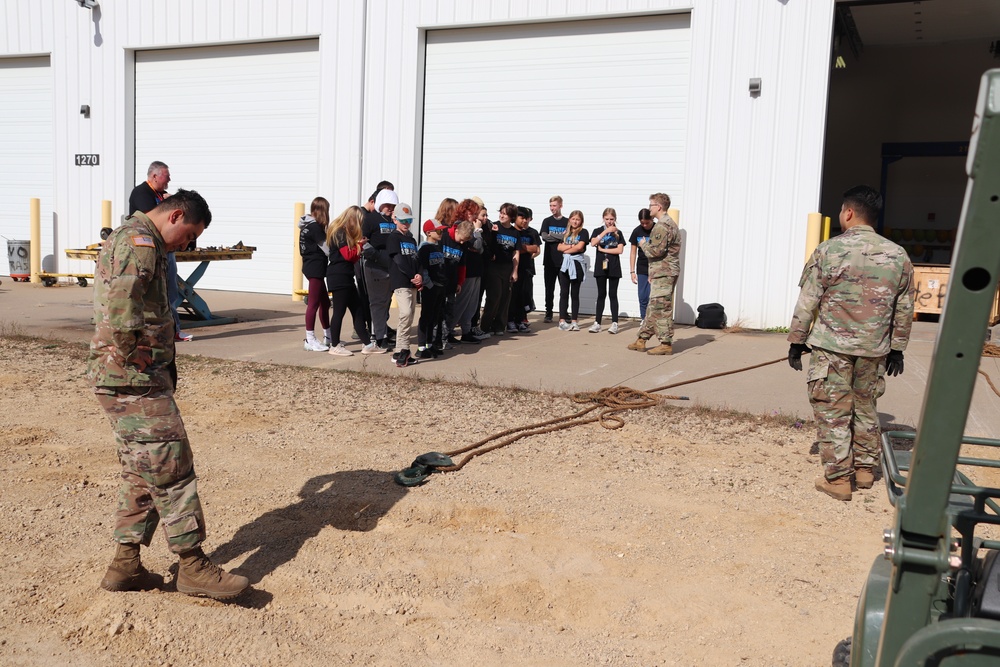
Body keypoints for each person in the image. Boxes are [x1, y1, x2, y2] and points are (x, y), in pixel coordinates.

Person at [88, 189, 249, 600]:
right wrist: (136, 364)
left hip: (132, 376)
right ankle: (192, 565)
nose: (188, 244)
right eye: (189, 235)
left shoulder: (139, 239)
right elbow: (122, 306)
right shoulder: (139, 243)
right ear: (176, 215)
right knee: (171, 464)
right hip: (132, 380)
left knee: (143, 467)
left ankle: (125, 565)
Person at [787, 185, 914, 501]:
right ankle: (865, 471)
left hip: (832, 350)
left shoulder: (828, 250)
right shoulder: (898, 255)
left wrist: (796, 341)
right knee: (866, 407)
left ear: (848, 213)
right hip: (874, 350)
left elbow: (809, 300)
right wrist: (897, 348)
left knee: (833, 411)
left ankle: (839, 479)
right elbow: (905, 308)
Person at [129, 161, 192, 342]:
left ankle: (174, 330)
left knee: (170, 290)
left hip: (166, 250)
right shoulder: (141, 193)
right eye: (166, 175)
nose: (170, 179)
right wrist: (167, 204)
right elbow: (153, 217)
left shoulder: (160, 194)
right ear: (154, 176)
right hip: (149, 250)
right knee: (153, 291)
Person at [628, 193, 680, 355]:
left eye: (651, 205)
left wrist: (643, 244)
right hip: (662, 272)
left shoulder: (661, 226)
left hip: (664, 273)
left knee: (662, 309)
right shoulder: (670, 224)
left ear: (658, 207)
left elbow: (655, 251)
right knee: (653, 307)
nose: (649, 208)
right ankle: (641, 340)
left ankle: (665, 343)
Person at [324, 205, 370, 357]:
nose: (359, 225)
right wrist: (360, 245)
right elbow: (348, 256)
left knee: (357, 310)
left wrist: (358, 247)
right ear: (352, 219)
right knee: (339, 311)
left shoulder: (343, 232)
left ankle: (367, 344)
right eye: (359, 221)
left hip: (346, 275)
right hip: (339, 276)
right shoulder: (340, 232)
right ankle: (335, 345)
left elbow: (353, 257)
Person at [361, 188, 399, 354]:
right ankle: (379, 338)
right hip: (375, 266)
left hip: (391, 266)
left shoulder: (393, 221)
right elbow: (361, 240)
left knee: (386, 302)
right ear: (380, 203)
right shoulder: (370, 219)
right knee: (377, 302)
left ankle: (380, 333)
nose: (390, 208)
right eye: (387, 205)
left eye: (392, 205)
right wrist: (375, 255)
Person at [385, 202, 422, 367]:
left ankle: (401, 351)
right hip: (401, 281)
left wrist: (419, 275)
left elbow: (416, 260)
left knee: (409, 316)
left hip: (412, 282)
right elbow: (398, 260)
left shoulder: (412, 239)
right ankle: (402, 348)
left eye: (408, 220)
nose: (406, 224)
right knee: (405, 314)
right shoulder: (393, 237)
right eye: (402, 220)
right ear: (395, 220)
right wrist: (411, 276)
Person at [480, 203, 520, 336]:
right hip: (494, 267)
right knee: (494, 296)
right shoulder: (494, 226)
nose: (502, 215)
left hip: (507, 268)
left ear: (512, 217)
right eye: (501, 212)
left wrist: (515, 270)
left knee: (505, 297)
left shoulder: (515, 232)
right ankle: (485, 326)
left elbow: (516, 253)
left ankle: (499, 326)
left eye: (505, 213)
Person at [299, 197, 332, 351]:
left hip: (313, 268)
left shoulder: (307, 226)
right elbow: (327, 249)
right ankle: (309, 339)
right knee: (313, 304)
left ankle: (328, 336)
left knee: (325, 303)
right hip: (315, 269)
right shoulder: (314, 228)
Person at [453, 199, 488, 343]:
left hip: (476, 268)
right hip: (467, 269)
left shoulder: (473, 226)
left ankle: (466, 331)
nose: (475, 216)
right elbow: (477, 245)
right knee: (462, 302)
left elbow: (480, 248)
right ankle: (447, 331)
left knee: (473, 304)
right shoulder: (460, 225)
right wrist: (478, 231)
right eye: (473, 213)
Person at [589, 207, 626, 334]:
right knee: (601, 294)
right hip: (601, 266)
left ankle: (615, 323)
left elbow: (619, 250)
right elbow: (593, 243)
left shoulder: (618, 233)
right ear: (603, 219)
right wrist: (605, 232)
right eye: (607, 219)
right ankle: (597, 322)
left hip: (614, 266)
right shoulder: (598, 231)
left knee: (613, 294)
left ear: (615, 219)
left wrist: (603, 250)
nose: (609, 221)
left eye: (612, 219)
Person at [417, 220, 447, 359]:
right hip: (431, 287)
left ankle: (430, 345)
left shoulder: (438, 247)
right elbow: (423, 269)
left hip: (440, 287)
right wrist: (429, 284)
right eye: (439, 231)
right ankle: (421, 347)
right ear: (429, 233)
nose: (441, 233)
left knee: (435, 317)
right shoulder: (424, 248)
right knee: (426, 316)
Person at [557, 211, 589, 331]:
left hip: (576, 265)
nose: (575, 221)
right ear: (569, 220)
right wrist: (571, 247)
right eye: (573, 219)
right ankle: (562, 320)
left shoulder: (583, 232)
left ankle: (574, 321)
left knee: (574, 294)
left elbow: (580, 247)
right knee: (563, 292)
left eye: (578, 219)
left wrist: (567, 248)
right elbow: (559, 247)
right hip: (564, 265)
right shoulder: (566, 232)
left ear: (581, 221)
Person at [509, 206, 540, 332]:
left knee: (524, 295)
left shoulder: (531, 232)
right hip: (514, 268)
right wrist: (526, 248)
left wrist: (522, 248)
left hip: (527, 269)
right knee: (513, 296)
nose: (525, 221)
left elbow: (536, 249)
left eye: (527, 218)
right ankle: (510, 320)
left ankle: (521, 320)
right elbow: (514, 250)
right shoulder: (511, 231)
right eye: (522, 218)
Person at [539, 196, 568, 323]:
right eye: (550, 206)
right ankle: (549, 312)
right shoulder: (547, 221)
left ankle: (564, 312)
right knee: (549, 288)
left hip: (563, 261)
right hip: (549, 260)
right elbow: (545, 237)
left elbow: (567, 238)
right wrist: (560, 237)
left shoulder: (567, 221)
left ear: (560, 205)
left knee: (564, 289)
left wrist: (555, 236)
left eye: (554, 206)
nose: (552, 208)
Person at [628, 208, 655, 324]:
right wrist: (632, 271)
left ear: (652, 219)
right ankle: (644, 319)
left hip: (655, 266)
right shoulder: (637, 231)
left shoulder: (658, 229)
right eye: (642, 222)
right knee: (643, 296)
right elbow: (633, 252)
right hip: (642, 267)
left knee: (653, 296)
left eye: (647, 223)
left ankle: (653, 320)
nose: (644, 225)